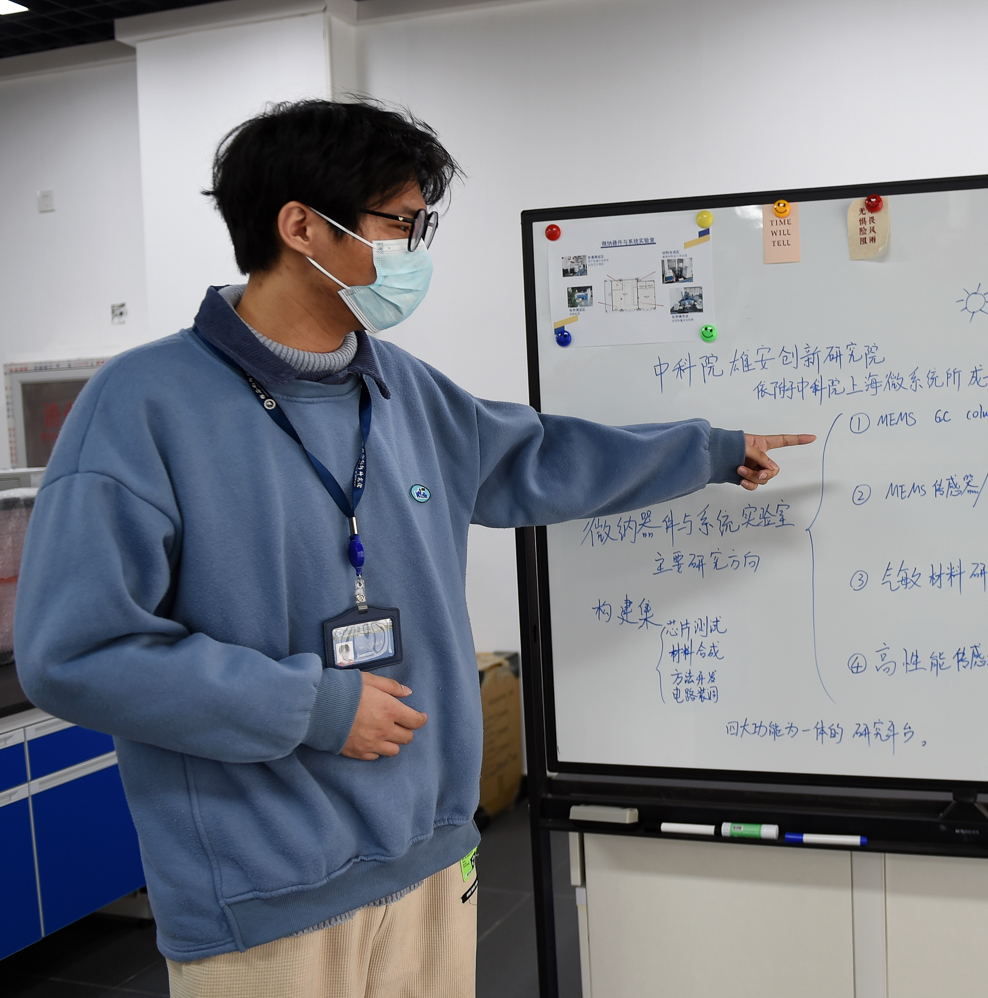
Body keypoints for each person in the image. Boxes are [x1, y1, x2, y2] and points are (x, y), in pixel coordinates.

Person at [14, 99, 813, 998]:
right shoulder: (143, 405)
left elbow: (544, 457)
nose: (414, 250)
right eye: (400, 222)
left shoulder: (404, 390)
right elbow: (75, 654)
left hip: (430, 853)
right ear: (301, 227)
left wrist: (711, 450)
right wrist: (312, 707)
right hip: (265, 892)